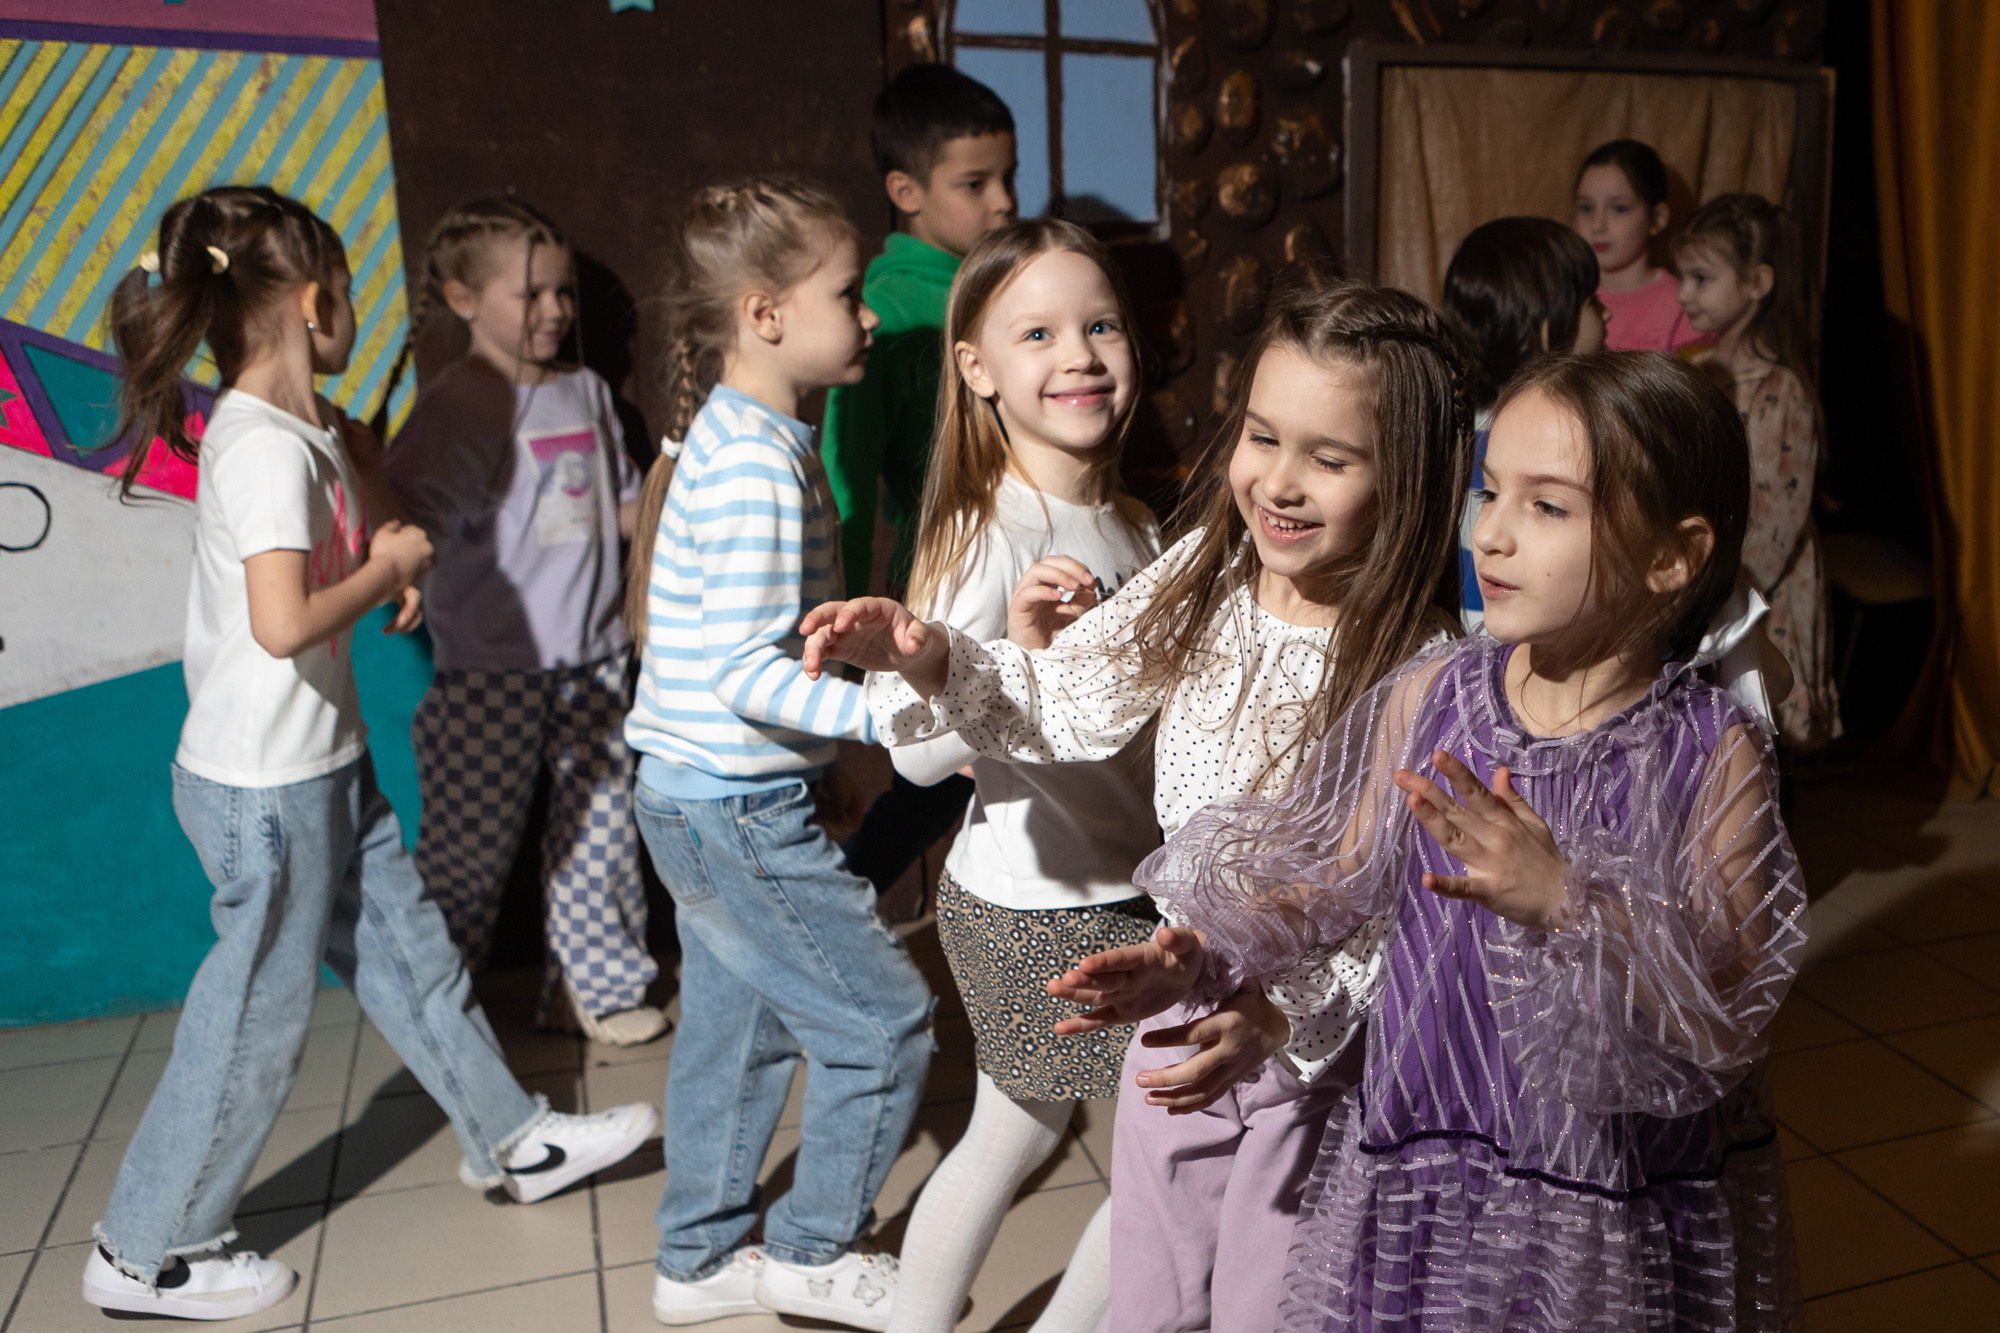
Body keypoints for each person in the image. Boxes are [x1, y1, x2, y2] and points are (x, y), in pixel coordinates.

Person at [1058, 351, 1808, 1331]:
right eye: (1490, 491)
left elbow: (1731, 998)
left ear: (1670, 556)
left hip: (1594, 1196)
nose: (1490, 533)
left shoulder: (1711, 754)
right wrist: (1205, 951)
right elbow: (1327, 879)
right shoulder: (1433, 694)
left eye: (1547, 507)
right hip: (1427, 1149)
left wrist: (1566, 899)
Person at [801, 274, 1474, 1333]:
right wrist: (929, 657)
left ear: (1409, 476)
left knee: (1270, 1304)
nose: (1278, 483)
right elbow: (1061, 703)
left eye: (1330, 457)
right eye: (1261, 436)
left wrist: (1276, 1014)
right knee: (1146, 1290)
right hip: (1174, 1001)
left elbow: (1397, 906)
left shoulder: (1422, 666)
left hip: (1313, 1060)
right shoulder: (1201, 577)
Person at [83, 186, 655, 1323]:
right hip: (267, 786)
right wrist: (384, 570)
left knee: (411, 955)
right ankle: (147, 1249)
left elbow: (362, 546)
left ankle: (511, 1139)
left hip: (318, 763)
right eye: (346, 294)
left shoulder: (302, 430)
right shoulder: (257, 447)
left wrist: (378, 542)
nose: (355, 314)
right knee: (251, 1015)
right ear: (311, 301)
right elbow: (286, 621)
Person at [624, 177, 933, 1332]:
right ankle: (811, 1248)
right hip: (735, 812)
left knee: (738, 1030)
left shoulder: (751, 436)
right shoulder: (756, 464)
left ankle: (696, 1260)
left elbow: (748, 660)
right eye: (847, 295)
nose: (868, 318)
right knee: (882, 1026)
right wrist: (883, 719)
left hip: (699, 801)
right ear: (763, 314)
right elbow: (746, 673)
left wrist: (828, 751)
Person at [882, 220, 1163, 1333]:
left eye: (1099, 324)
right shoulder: (979, 528)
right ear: (976, 369)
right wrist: (1013, 654)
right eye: (1037, 332)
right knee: (1153, 1166)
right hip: (1044, 902)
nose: (1079, 354)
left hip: (1107, 884)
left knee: (1018, 1129)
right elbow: (909, 750)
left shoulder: (1131, 521)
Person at [380, 199, 662, 1046]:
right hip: (490, 670)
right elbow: (411, 525)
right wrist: (400, 571)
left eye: (564, 294)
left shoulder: (585, 393)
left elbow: (617, 509)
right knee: (467, 852)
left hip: (598, 663)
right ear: (463, 299)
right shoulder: (450, 409)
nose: (554, 312)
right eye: (531, 294)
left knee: (603, 838)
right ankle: (434, 1003)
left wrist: (671, 509)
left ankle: (595, 991)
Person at [823, 62, 1019, 898]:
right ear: (905, 190)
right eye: (975, 182)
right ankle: (849, 902)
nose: (1003, 199)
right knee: (938, 775)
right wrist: (841, 634)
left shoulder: (1005, 278)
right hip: (951, 578)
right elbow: (849, 475)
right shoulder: (888, 312)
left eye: (1008, 176)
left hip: (1030, 563)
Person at [1676, 193, 1839, 750]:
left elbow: (1774, 526)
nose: (1684, 294)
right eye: (1683, 277)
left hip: (1757, 592)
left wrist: (1716, 598)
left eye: (1701, 278)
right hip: (1706, 578)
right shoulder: (1698, 372)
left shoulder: (1783, 393)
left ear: (1757, 283)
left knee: (1764, 736)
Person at [1439, 216, 1606, 630]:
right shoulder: (1556, 442)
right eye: (1592, 302)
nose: (1608, 314)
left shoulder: (1450, 432)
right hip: (1511, 653)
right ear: (1548, 331)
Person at [1573, 138, 1706, 353]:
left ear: (1657, 218)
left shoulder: (1683, 307)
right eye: (1586, 208)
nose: (1598, 225)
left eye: (1619, 208)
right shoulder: (1565, 297)